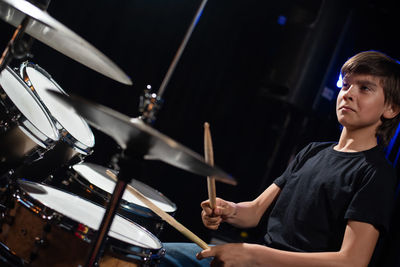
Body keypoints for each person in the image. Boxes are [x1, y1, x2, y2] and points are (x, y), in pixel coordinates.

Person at [158, 50, 400, 267]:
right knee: (157, 254)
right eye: (345, 85)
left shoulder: (376, 173)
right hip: (257, 261)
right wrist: (228, 210)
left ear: (391, 108)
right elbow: (254, 211)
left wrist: (254, 255)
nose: (348, 94)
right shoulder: (313, 151)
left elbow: (352, 261)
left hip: (264, 262)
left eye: (365, 88)